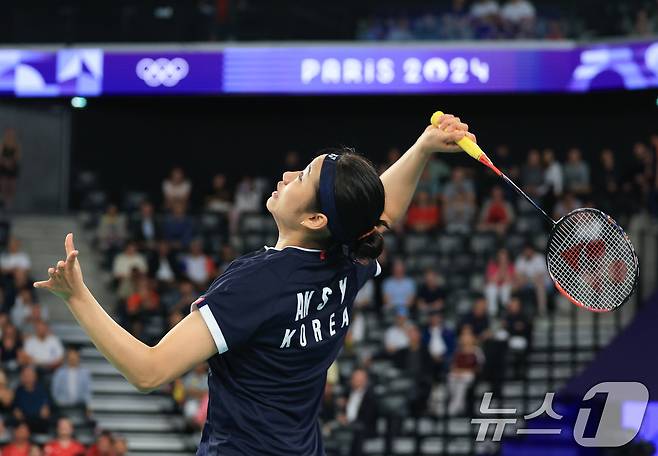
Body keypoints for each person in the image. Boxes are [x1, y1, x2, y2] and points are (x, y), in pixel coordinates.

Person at [33, 113, 475, 455]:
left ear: (315, 218)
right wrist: (423, 148)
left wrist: (77, 297)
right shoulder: (347, 258)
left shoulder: (257, 284)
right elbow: (381, 212)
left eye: (301, 178)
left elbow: (150, 372)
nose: (285, 178)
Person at [51, 347, 92, 413]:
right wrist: (60, 402)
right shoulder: (60, 372)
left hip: (80, 405)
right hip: (63, 405)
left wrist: (88, 405)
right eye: (71, 357)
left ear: (78, 357)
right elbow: (55, 391)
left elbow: (87, 391)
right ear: (67, 358)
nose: (73, 359)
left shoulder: (85, 373)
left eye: (74, 357)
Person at [12, 366, 51, 433]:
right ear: (21, 377)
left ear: (35, 377)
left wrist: (46, 409)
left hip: (40, 422)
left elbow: (46, 407)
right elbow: (16, 409)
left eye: (30, 375)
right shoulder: (17, 391)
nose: (28, 378)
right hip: (23, 422)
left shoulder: (43, 389)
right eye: (25, 375)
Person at [484, 248, 515, 317]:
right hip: (495, 286)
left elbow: (509, 279)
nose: (502, 258)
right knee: (491, 288)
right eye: (501, 256)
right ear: (497, 257)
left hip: (506, 286)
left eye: (504, 256)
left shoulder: (511, 265)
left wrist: (505, 267)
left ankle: (506, 309)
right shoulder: (492, 264)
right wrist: (501, 269)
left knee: (505, 287)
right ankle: (492, 313)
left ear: (507, 257)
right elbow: (491, 280)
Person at [0, 128, 21, 210]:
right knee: (3, 184)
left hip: (12, 167)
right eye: (8, 134)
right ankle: (3, 200)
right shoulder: (2, 143)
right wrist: (5, 162)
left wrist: (10, 162)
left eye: (11, 134)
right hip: (3, 167)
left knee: (11, 186)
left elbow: (17, 156)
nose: (10, 135)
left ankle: (8, 204)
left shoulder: (16, 145)